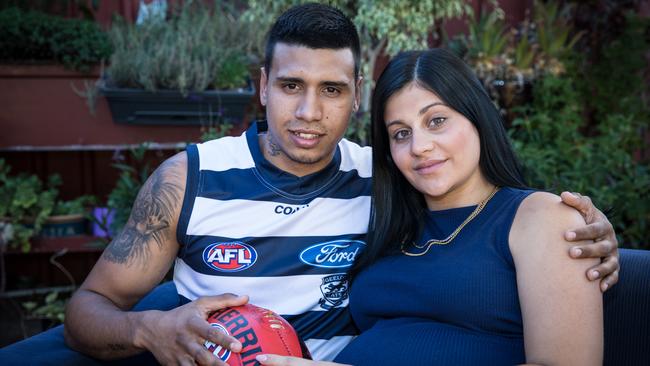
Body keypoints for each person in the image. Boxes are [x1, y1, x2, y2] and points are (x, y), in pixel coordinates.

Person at [0, 4, 615, 366]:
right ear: (262, 84)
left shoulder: (388, 176)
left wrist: (588, 236)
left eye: (332, 91)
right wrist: (148, 329)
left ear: (353, 100)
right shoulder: (188, 178)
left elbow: (490, 220)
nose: (308, 113)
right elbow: (86, 309)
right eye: (292, 86)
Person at [258, 49, 604, 366]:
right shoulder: (389, 220)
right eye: (400, 134)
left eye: (436, 121)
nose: (419, 147)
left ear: (477, 117)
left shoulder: (540, 218)